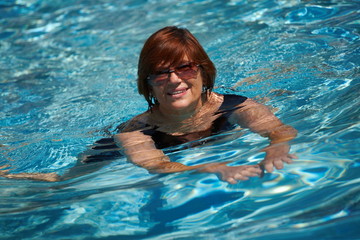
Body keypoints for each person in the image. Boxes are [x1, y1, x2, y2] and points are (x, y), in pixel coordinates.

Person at [0, 26, 297, 184]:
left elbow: (279, 130)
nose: (174, 80)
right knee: (63, 183)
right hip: (109, 151)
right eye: (160, 73)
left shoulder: (234, 106)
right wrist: (210, 167)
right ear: (148, 83)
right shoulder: (135, 132)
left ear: (203, 70)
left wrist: (277, 147)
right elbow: (158, 165)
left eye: (185, 68)